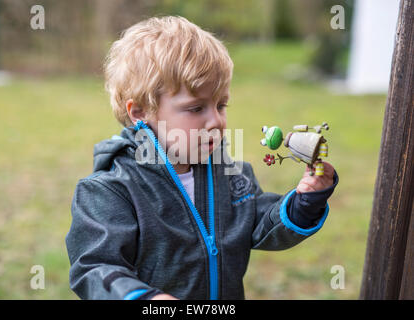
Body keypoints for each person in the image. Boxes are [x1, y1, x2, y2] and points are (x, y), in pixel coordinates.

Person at [65, 16, 339, 300]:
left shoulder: (233, 175)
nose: (216, 121)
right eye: (196, 108)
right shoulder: (110, 190)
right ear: (140, 113)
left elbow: (260, 225)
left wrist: (305, 201)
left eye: (221, 105)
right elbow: (96, 267)